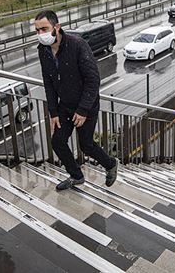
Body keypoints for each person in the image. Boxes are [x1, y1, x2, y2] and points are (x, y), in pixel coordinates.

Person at [35, 10, 119, 191]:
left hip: (85, 104)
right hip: (64, 105)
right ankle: (76, 175)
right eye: (37, 30)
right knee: (57, 141)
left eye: (44, 29)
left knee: (86, 144)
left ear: (57, 27)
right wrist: (53, 112)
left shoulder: (77, 45)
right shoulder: (43, 51)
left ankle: (111, 164)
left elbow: (93, 79)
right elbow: (48, 82)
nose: (40, 34)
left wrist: (82, 110)